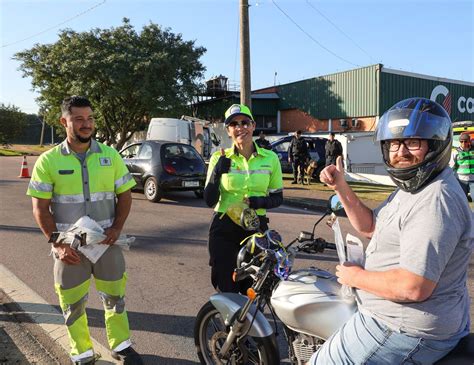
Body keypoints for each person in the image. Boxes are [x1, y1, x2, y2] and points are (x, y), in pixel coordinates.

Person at [312, 98, 472, 364]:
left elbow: (413, 286)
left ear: (434, 145)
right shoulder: (413, 188)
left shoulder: (436, 199)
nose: (401, 152)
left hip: (402, 327)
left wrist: (356, 277)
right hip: (396, 318)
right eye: (394, 144)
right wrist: (341, 186)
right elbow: (371, 227)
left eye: (413, 143)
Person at [27, 96, 143, 365]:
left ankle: (121, 345)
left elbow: (125, 196)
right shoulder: (48, 161)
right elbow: (40, 208)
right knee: (73, 302)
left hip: (106, 243)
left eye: (89, 118)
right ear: (64, 122)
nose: (86, 124)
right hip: (69, 248)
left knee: (115, 296)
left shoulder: (110, 155)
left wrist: (116, 228)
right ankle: (82, 351)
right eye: (78, 119)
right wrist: (57, 243)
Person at [204, 104, 283, 293]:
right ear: (228, 130)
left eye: (245, 122)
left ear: (253, 126)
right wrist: (216, 173)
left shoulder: (270, 158)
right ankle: (228, 323)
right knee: (226, 286)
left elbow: (278, 197)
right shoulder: (219, 157)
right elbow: (209, 200)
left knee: (254, 288)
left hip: (256, 229)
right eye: (234, 124)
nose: (240, 128)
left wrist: (259, 202)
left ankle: (248, 323)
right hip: (224, 229)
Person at [452, 132, 473, 201]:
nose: (463, 143)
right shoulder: (455, 152)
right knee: (462, 201)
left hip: (473, 180)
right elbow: (451, 166)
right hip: (461, 180)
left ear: (469, 141)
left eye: (465, 141)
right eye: (461, 141)